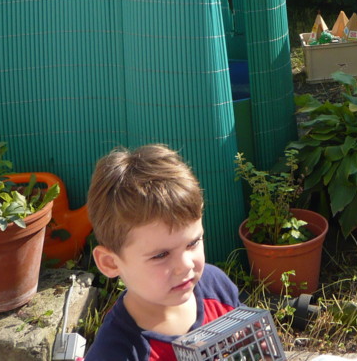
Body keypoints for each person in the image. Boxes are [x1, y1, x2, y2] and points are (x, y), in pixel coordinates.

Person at [85, 143, 241, 361]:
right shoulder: (116, 352)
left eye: (192, 243)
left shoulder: (216, 286)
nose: (185, 265)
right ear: (110, 263)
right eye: (161, 255)